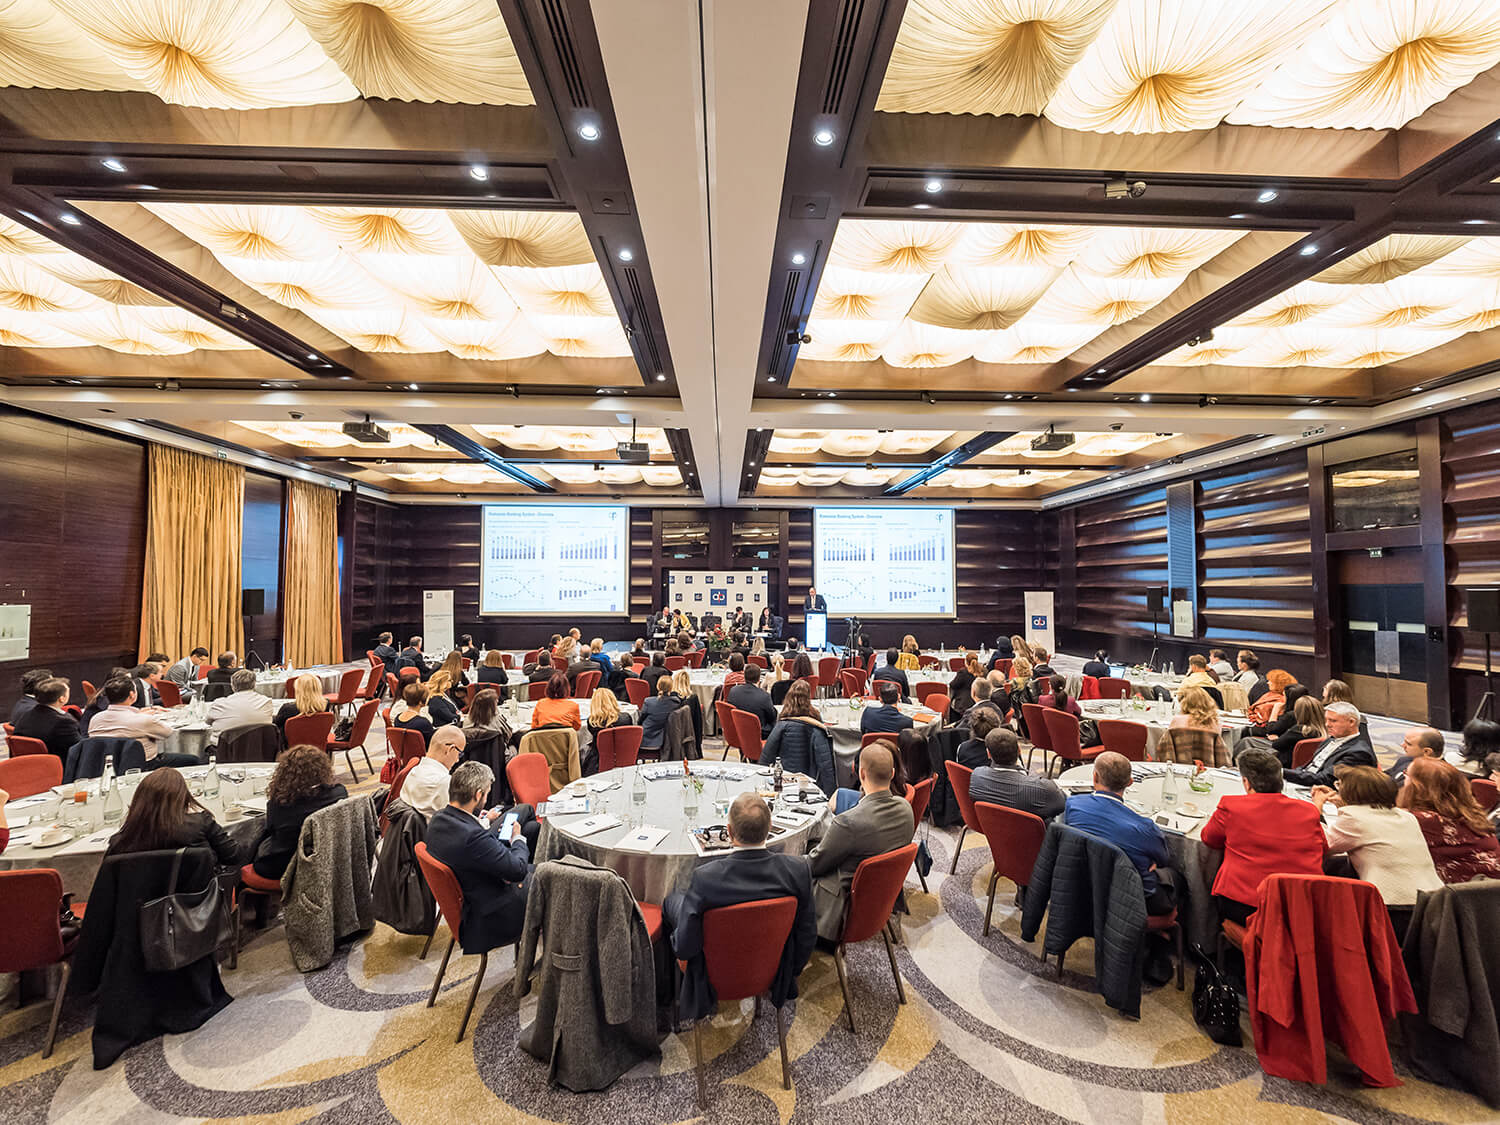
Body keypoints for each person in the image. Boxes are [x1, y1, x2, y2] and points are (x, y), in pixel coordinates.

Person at [663, 792, 817, 1021]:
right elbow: (807, 934)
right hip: (774, 969)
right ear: (770, 827)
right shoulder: (797, 870)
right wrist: (790, 971)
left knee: (671, 901)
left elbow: (685, 947)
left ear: (730, 832)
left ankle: (666, 993)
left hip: (711, 976)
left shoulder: (706, 878)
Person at [1198, 749, 1326, 925]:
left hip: (1247, 903)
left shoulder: (1232, 806)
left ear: (1246, 783)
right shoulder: (1309, 810)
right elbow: (1323, 849)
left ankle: (1206, 937)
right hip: (1302, 905)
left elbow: (1209, 838)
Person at [807, 744, 914, 941]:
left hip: (843, 907)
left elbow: (814, 865)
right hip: (880, 901)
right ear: (892, 773)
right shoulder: (906, 808)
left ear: (861, 773)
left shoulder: (848, 822)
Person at [1313, 766, 1442, 928]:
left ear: (1352, 792)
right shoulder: (1406, 816)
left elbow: (1321, 845)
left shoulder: (1355, 818)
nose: (1338, 789)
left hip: (1393, 906)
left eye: (1339, 785)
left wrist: (1316, 808)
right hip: (1432, 900)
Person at [423, 761, 532, 951]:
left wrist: (483, 823)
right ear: (478, 795)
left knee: (532, 828)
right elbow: (518, 871)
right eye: (487, 793)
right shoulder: (472, 837)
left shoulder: (438, 819)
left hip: (473, 895)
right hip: (492, 916)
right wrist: (517, 839)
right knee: (553, 874)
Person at [1061, 752, 1175, 917]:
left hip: (1085, 886)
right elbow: (1163, 860)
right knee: (1176, 878)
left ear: (1095, 777)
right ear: (1130, 782)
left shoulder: (1073, 805)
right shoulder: (1146, 828)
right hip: (1135, 899)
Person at [106, 767, 240, 866]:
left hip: (140, 897)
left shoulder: (119, 842)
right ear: (183, 797)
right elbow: (233, 856)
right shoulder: (200, 824)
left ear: (139, 801)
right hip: (199, 895)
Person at [249, 744, 347, 879]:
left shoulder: (281, 804)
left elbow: (271, 829)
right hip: (327, 861)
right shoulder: (340, 793)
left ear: (284, 773)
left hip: (284, 866)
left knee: (253, 848)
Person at [1396, 757, 1500, 883]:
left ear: (1418, 786)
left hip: (1461, 892)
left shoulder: (1426, 821)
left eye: (1406, 774)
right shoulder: (1470, 813)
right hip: (1486, 888)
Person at [969, 728, 1065, 822]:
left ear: (988, 754)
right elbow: (1061, 806)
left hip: (992, 828)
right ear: (1019, 750)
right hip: (1031, 831)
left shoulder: (977, 776)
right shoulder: (1044, 789)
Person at [91, 676, 188, 764]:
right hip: (144, 764)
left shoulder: (95, 719)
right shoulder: (144, 720)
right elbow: (168, 732)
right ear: (132, 695)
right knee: (191, 759)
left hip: (105, 765)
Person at [762, 681, 836, 794]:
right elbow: (825, 764)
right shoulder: (816, 725)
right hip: (809, 781)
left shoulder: (782, 724)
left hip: (786, 778)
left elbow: (767, 755)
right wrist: (831, 793)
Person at [1284, 701, 1376, 789]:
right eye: (1326, 720)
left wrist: (1282, 772)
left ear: (1351, 722)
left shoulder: (1358, 753)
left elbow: (1325, 780)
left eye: (1333, 721)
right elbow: (1308, 767)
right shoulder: (1331, 739)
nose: (1327, 724)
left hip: (1323, 791)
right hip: (1306, 782)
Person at [402, 725, 467, 818]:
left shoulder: (413, 771)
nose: (457, 760)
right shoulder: (444, 783)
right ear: (450, 749)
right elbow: (459, 822)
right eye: (459, 754)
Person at [12, 677, 80, 762]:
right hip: (58, 764)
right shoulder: (64, 723)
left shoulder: (27, 714)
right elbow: (80, 749)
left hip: (30, 763)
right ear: (62, 698)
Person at [208, 669, 279, 736]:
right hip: (259, 744)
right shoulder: (266, 702)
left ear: (232, 686)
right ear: (255, 685)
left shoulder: (219, 704)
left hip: (225, 744)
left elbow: (208, 722)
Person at [1268, 694, 1326, 766]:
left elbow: (1276, 745)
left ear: (1298, 713)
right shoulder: (1325, 730)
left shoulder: (1300, 730)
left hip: (1284, 764)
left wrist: (1279, 738)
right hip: (1308, 765)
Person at [727, 661, 778, 738]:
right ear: (759, 678)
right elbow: (772, 717)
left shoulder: (733, 690)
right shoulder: (764, 696)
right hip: (759, 732)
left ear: (744, 676)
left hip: (737, 730)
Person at [273, 673, 329, 741]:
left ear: (298, 690)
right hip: (317, 743)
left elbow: (275, 725)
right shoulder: (325, 704)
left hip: (291, 745)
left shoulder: (288, 709)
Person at [638, 674, 681, 753]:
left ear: (657, 686)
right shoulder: (675, 703)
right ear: (671, 688)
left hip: (644, 740)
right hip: (664, 742)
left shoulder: (648, 701)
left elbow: (640, 720)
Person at [391, 681, 436, 748]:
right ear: (421, 702)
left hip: (406, 752)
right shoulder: (423, 723)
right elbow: (433, 744)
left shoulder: (397, 718)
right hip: (425, 753)